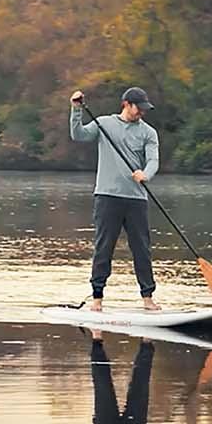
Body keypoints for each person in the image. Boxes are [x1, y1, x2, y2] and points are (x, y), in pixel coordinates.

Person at [70, 87, 160, 312]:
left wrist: (145, 174)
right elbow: (78, 135)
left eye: (144, 109)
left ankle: (148, 298)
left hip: (136, 199)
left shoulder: (149, 133)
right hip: (107, 196)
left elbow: (153, 160)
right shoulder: (104, 124)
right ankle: (97, 298)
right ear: (126, 104)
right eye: (138, 108)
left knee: (142, 249)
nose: (142, 113)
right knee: (104, 248)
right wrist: (76, 109)